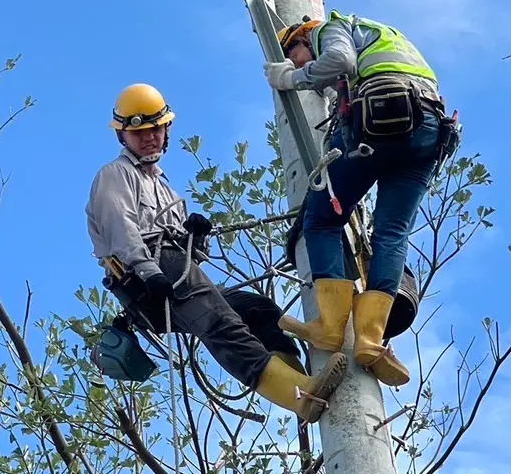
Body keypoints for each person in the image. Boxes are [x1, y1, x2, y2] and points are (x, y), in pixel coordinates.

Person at [86, 83, 347, 420]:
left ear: (166, 130)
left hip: (172, 268)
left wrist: (195, 236)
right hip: (147, 275)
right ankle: (301, 396)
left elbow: (190, 257)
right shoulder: (115, 174)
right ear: (123, 136)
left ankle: (302, 369)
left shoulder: (164, 189)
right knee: (224, 327)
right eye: (139, 133)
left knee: (256, 308)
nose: (149, 137)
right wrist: (150, 273)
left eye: (155, 129)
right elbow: (122, 230)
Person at [264, 13, 448, 387]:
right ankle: (369, 340)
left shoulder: (332, 27)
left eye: (295, 55)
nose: (301, 63)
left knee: (321, 219)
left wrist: (290, 78)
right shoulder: (383, 35)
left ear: (303, 37)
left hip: (383, 117)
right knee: (392, 232)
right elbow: (348, 75)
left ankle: (330, 328)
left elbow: (338, 61)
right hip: (430, 129)